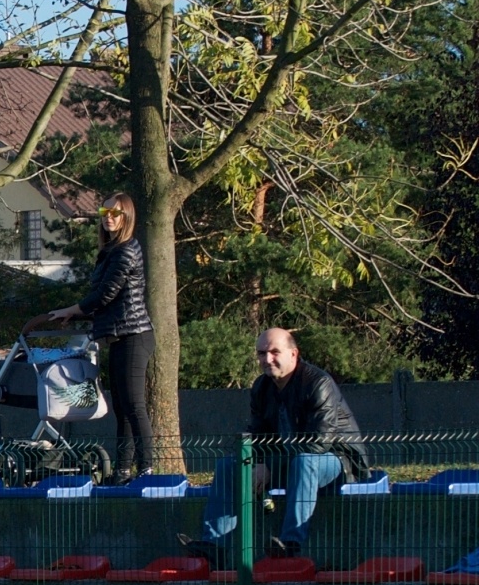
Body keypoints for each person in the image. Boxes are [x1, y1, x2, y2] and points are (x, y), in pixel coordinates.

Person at [181, 328, 368, 562]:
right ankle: (214, 546)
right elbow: (257, 437)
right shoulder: (262, 387)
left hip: (337, 461)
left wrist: (270, 466)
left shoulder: (318, 383)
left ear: (293, 354)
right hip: (288, 462)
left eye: (274, 352)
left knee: (305, 462)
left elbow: (319, 443)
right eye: (261, 353)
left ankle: (290, 544)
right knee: (229, 467)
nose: (267, 359)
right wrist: (255, 462)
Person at [47, 193, 154, 481]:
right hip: (117, 336)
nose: (108, 217)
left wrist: (71, 309)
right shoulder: (110, 251)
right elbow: (104, 302)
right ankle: (122, 470)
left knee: (134, 406)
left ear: (127, 217)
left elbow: (105, 294)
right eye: (105, 212)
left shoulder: (126, 250)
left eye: (115, 213)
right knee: (122, 408)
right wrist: (74, 314)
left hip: (134, 335)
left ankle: (147, 469)